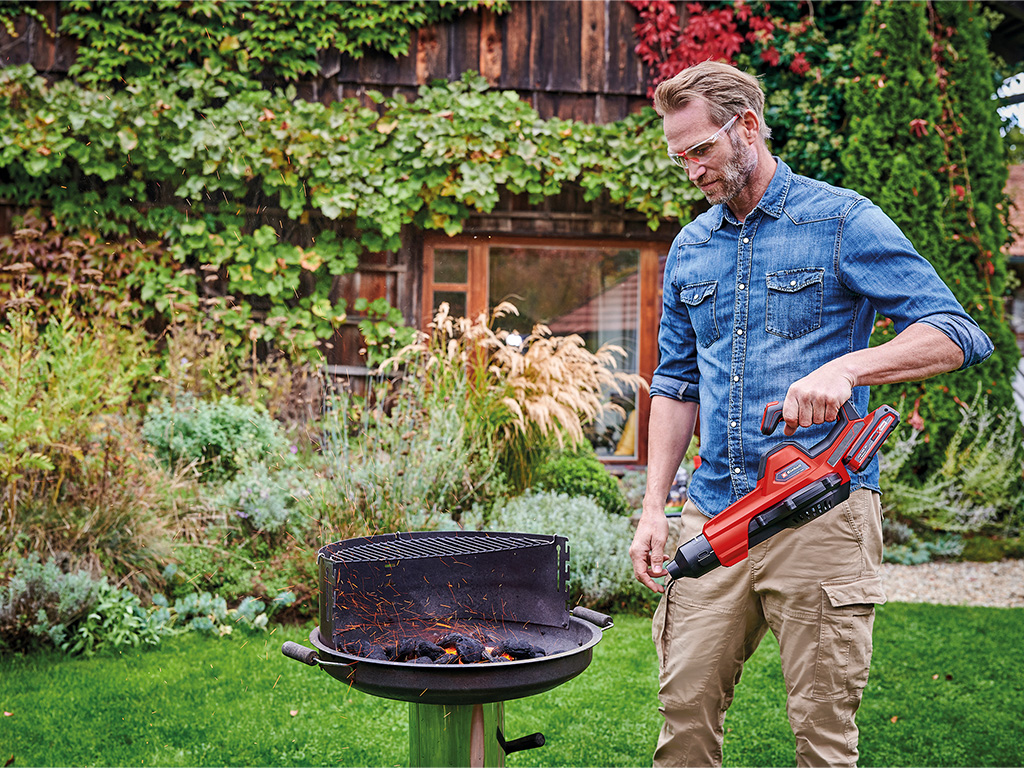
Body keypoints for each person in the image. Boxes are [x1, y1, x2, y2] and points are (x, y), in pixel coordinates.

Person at [628, 61, 994, 768]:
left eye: (701, 150)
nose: (691, 170)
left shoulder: (840, 221)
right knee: (683, 722)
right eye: (678, 157)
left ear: (748, 128)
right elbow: (675, 384)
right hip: (713, 518)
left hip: (821, 513)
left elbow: (954, 331)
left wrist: (849, 366)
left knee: (823, 741)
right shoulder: (690, 248)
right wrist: (653, 507)